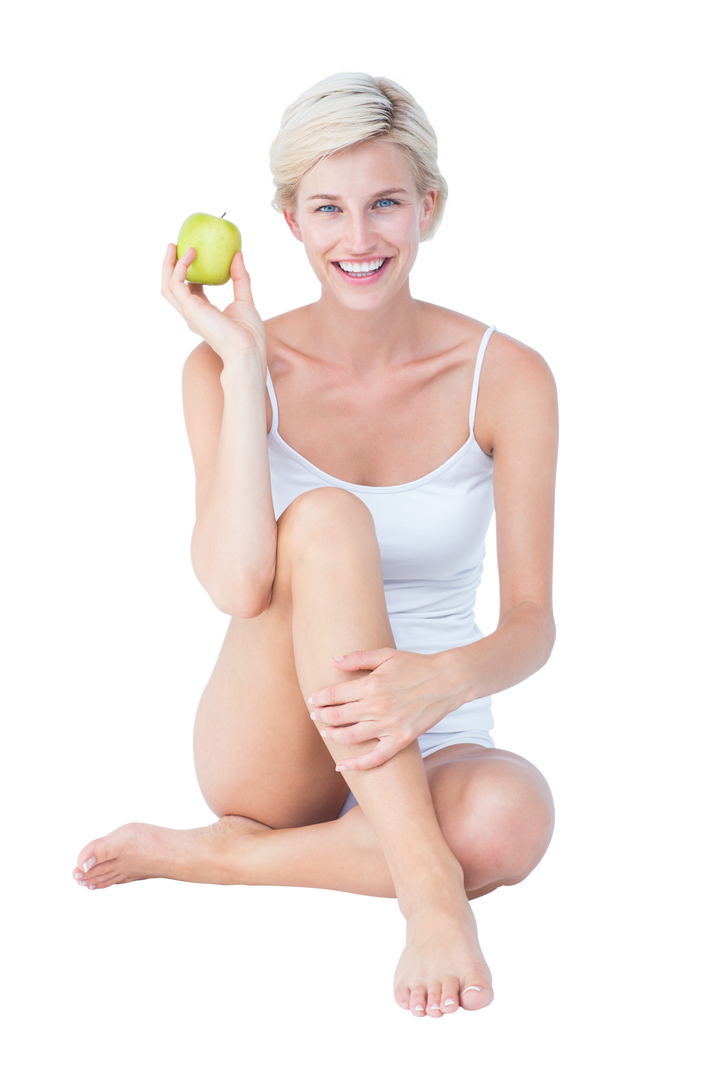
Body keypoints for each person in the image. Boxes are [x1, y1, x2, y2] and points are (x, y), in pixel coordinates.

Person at [70, 62, 560, 1021]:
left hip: (430, 724)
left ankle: (219, 857)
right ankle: (425, 886)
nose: (359, 238)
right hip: (274, 736)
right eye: (328, 209)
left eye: (384, 204)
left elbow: (534, 629)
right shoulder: (216, 371)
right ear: (288, 221)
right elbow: (236, 584)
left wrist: (444, 679)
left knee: (515, 819)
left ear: (428, 205)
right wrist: (245, 363)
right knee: (333, 521)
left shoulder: (510, 376)